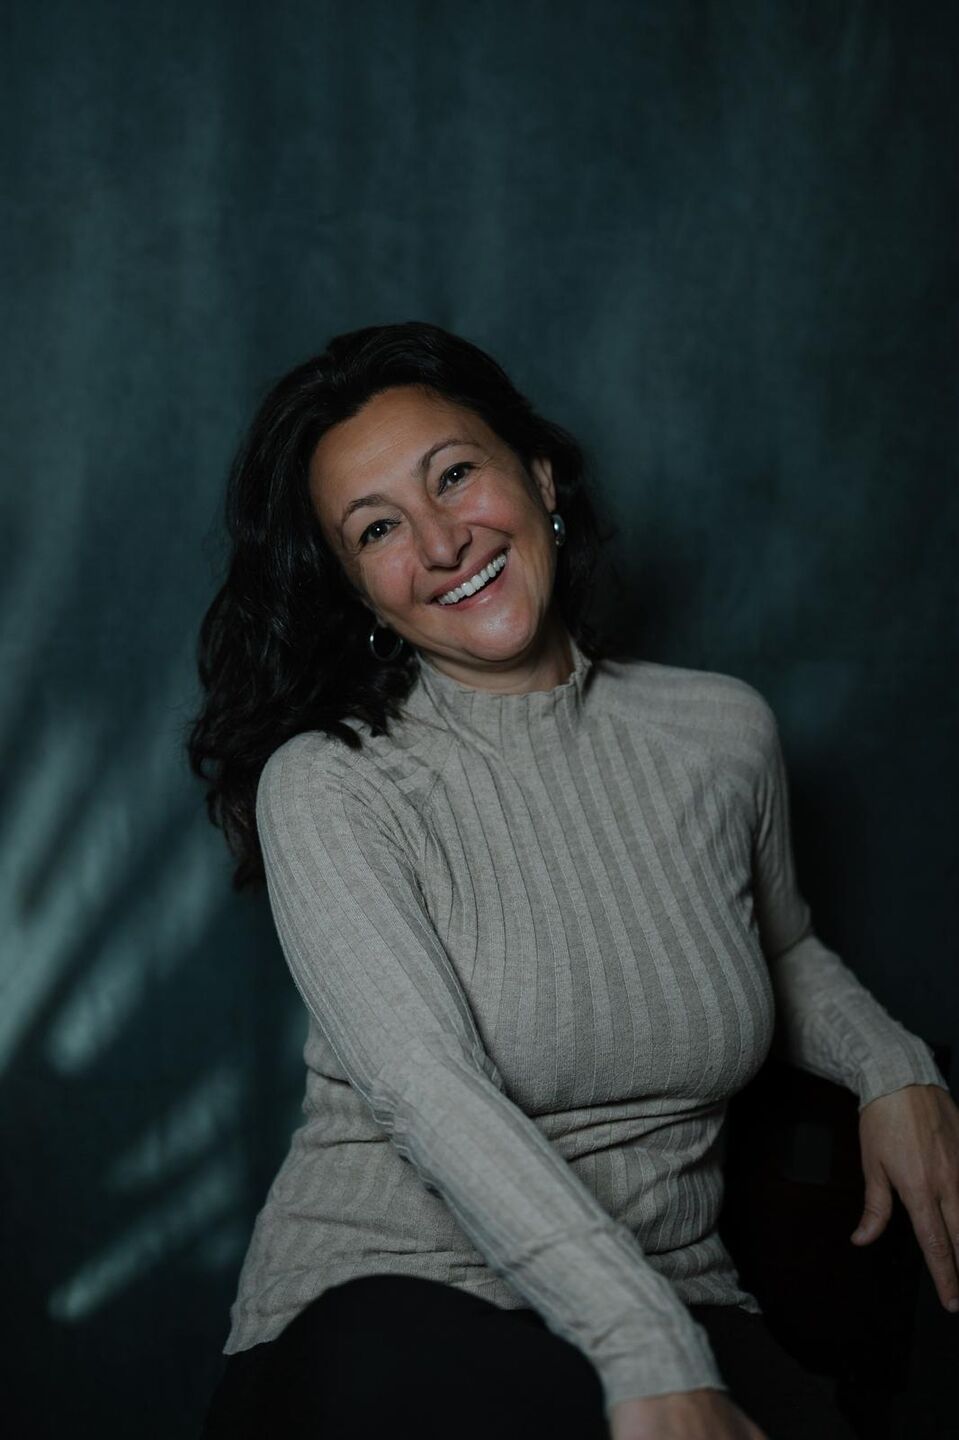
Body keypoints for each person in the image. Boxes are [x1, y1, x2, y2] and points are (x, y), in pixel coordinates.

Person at [188, 321, 959, 1440]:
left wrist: (891, 1069)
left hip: (683, 1299)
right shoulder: (335, 784)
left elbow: (777, 945)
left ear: (539, 476)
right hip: (393, 1316)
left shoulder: (719, 733)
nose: (441, 542)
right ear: (359, 592)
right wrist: (645, 1353)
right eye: (378, 529)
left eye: (454, 475)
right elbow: (426, 1090)